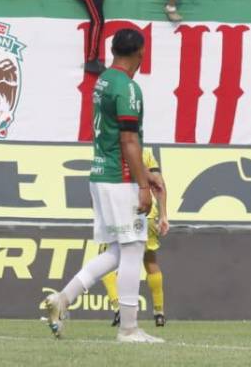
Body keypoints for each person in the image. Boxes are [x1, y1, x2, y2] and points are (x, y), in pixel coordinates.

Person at [44, 29, 162, 344]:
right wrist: (142, 183)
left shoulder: (104, 81)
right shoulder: (127, 87)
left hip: (101, 173)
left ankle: (63, 299)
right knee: (135, 247)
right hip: (119, 178)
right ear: (140, 52)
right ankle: (128, 329)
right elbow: (128, 139)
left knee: (116, 251)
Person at [101, 148, 169, 328]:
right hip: (148, 212)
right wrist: (163, 215)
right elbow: (159, 183)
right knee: (150, 261)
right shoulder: (146, 152)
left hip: (124, 211)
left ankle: (119, 309)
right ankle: (159, 313)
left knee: (106, 262)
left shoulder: (112, 151)